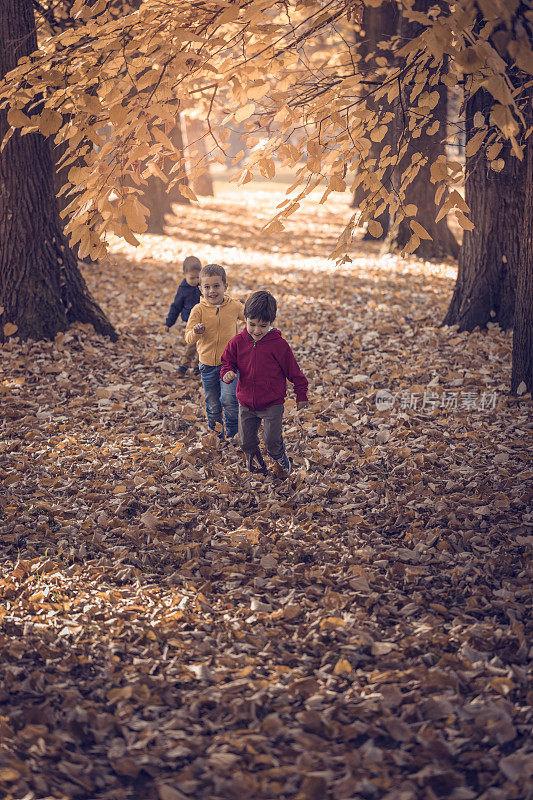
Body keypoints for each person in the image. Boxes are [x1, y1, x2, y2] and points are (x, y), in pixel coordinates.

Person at [220, 290, 308, 476]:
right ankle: (258, 464)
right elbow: (228, 361)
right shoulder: (237, 342)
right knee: (245, 442)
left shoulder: (279, 345)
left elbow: (294, 371)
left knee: (271, 440)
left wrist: (301, 394)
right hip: (246, 402)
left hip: (272, 402)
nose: (257, 330)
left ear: (271, 323)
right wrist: (227, 372)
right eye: (252, 324)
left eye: (263, 325)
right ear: (245, 319)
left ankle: (279, 457)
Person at [185, 264, 244, 439]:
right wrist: (196, 332)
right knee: (213, 404)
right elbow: (188, 337)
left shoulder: (234, 306)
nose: (212, 291)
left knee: (229, 400)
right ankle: (217, 436)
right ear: (200, 288)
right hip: (207, 365)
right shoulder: (198, 310)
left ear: (226, 286)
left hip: (230, 364)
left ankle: (233, 435)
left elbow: (250, 317)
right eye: (207, 287)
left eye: (216, 286)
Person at [165, 255, 202, 377]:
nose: (195, 280)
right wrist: (169, 322)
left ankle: (198, 366)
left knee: (203, 345)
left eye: (198, 277)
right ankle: (184, 366)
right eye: (192, 277)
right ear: (184, 274)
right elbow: (176, 306)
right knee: (192, 344)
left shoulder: (203, 287)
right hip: (191, 323)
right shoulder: (183, 289)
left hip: (205, 320)